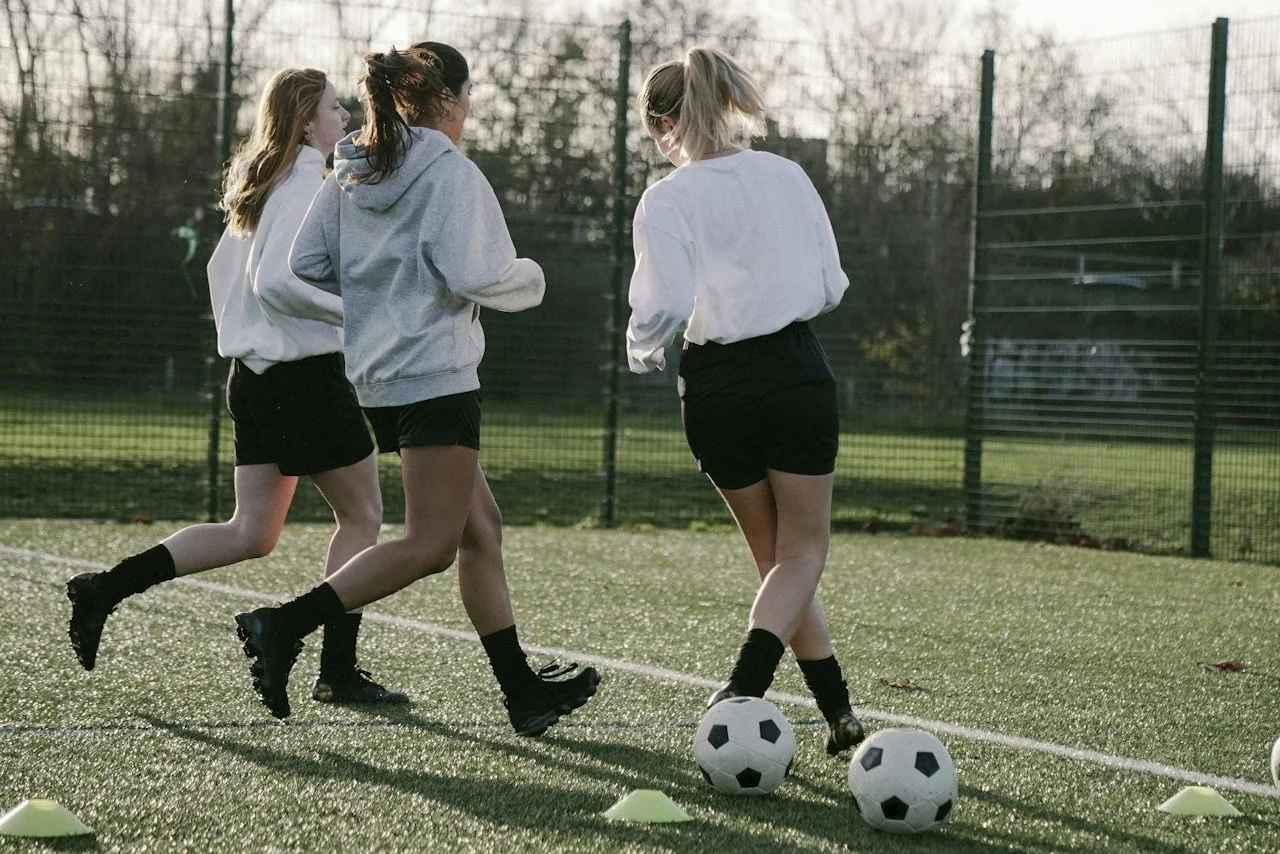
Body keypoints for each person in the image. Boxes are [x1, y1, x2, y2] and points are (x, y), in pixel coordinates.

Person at [232, 41, 601, 733]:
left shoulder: (353, 173)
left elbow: (308, 262)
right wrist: (532, 279)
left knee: (479, 531)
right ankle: (281, 626)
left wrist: (382, 293)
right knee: (431, 544)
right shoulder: (451, 174)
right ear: (452, 98)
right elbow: (477, 275)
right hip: (436, 377)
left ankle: (522, 691)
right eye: (469, 96)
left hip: (378, 380)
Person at [66, 68, 406, 707]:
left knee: (253, 532)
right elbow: (277, 284)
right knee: (363, 516)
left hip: (252, 378)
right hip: (302, 379)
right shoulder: (307, 182)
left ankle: (102, 589)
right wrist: (355, 314)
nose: (346, 118)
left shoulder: (262, 185)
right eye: (336, 108)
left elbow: (229, 277)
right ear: (308, 120)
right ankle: (337, 671)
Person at [626, 44, 865, 754]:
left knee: (777, 561)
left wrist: (640, 349)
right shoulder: (785, 175)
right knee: (801, 552)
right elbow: (831, 283)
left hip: (714, 384)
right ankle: (743, 689)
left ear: (662, 122)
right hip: (794, 370)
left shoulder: (665, 198)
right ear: (725, 105)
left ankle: (840, 713)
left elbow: (662, 306)